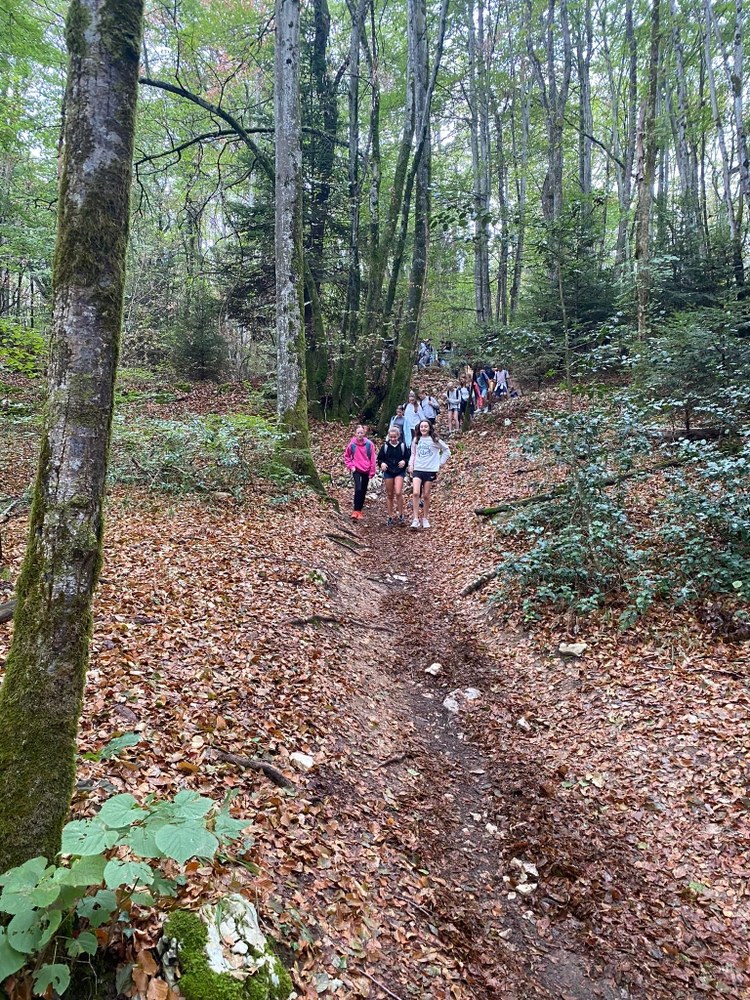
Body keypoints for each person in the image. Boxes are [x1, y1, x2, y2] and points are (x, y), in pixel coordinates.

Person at [408, 419, 450, 529]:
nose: (423, 428)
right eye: (422, 426)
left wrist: (439, 463)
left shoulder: (434, 439)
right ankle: (415, 519)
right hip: (418, 469)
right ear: (419, 428)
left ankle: (425, 518)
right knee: (416, 493)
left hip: (430, 470)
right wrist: (411, 464)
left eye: (425, 426)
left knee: (426, 495)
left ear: (429, 428)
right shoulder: (416, 439)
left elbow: (446, 450)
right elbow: (413, 453)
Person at [343, 424, 377, 520]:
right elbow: (346, 456)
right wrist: (351, 466)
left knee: (363, 489)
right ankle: (355, 510)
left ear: (364, 433)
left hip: (366, 469)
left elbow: (373, 458)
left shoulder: (369, 444)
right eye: (358, 433)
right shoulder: (352, 444)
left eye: (361, 433)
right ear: (355, 433)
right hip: (356, 469)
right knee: (358, 488)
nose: (360, 435)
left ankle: (359, 510)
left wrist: (372, 471)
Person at [377, 425, 409, 525]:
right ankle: (390, 516)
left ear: (398, 436)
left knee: (398, 492)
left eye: (395, 437)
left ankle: (401, 515)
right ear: (389, 436)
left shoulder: (402, 446)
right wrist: (382, 464)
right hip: (388, 471)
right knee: (390, 494)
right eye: (391, 437)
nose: (393, 439)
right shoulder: (385, 446)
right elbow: (380, 459)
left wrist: (404, 462)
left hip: (399, 471)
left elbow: (407, 458)